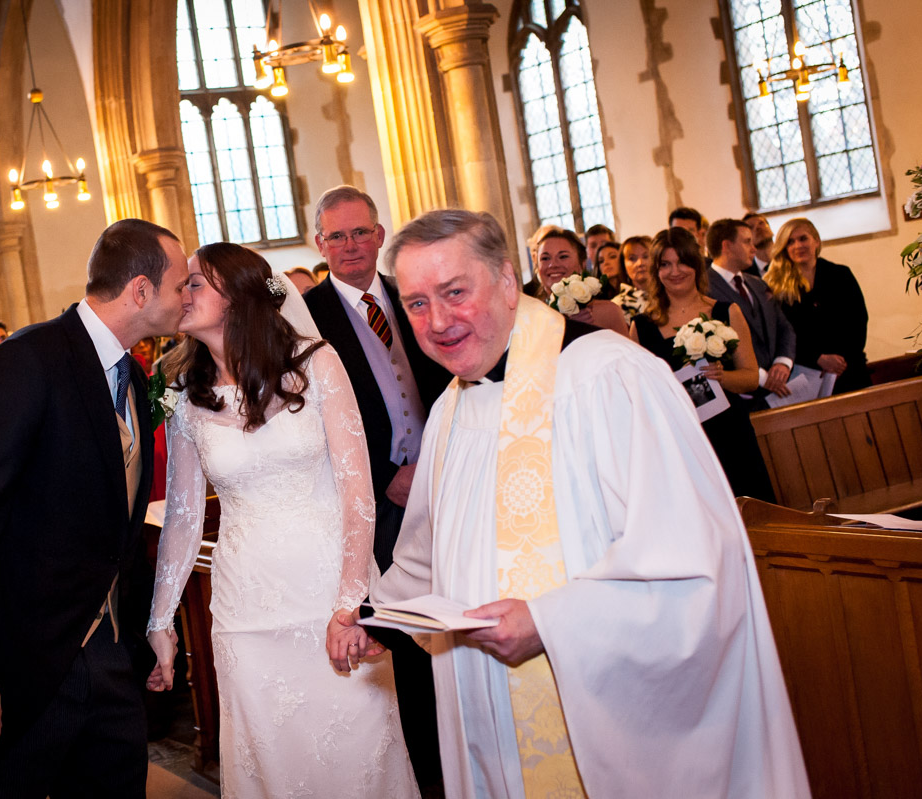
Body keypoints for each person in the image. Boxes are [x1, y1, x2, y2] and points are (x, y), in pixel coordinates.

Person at [340, 209, 808, 798]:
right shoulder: (454, 409)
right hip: (485, 711)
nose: (437, 321)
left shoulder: (610, 375)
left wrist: (552, 623)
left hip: (603, 716)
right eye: (415, 303)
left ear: (509, 282)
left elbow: (694, 562)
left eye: (455, 292)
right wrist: (376, 615)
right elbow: (426, 553)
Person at [0, 219, 189, 798]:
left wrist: (142, 630)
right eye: (181, 285)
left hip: (109, 656)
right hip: (22, 664)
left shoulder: (132, 375)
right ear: (140, 291)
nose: (188, 296)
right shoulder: (24, 362)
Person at [147, 242, 420, 797]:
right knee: (272, 763)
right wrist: (160, 623)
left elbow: (358, 493)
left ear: (238, 295)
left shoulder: (316, 363)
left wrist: (351, 603)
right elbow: (181, 518)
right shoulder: (183, 395)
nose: (183, 292)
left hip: (329, 599)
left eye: (196, 282)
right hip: (245, 609)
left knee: (357, 752)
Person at [303, 184, 448, 789]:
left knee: (454, 619)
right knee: (405, 641)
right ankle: (426, 769)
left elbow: (445, 377)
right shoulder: (307, 315)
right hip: (378, 503)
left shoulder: (414, 297)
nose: (350, 245)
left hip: (445, 484)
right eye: (336, 236)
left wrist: (443, 460)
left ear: (380, 235)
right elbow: (313, 418)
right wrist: (386, 479)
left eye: (360, 232)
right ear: (320, 244)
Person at [631, 227, 776, 501]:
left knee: (752, 516)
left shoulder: (726, 312)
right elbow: (638, 393)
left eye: (683, 261)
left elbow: (750, 376)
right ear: (656, 271)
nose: (675, 271)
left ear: (696, 264)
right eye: (665, 264)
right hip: (680, 440)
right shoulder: (642, 327)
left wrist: (723, 377)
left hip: (730, 433)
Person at [766, 217, 871, 394]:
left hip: (849, 368)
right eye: (790, 242)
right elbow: (781, 334)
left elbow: (858, 321)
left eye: (803, 238)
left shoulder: (840, 274)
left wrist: (840, 362)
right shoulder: (775, 288)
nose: (798, 245)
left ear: (816, 240)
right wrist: (817, 358)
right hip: (806, 374)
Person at [707, 218, 796, 406]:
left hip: (778, 385)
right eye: (747, 241)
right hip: (740, 396)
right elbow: (714, 344)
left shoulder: (757, 283)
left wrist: (783, 362)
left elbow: (783, 326)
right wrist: (760, 376)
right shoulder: (704, 289)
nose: (754, 248)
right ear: (727, 246)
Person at [535, 229, 629, 334]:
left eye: (563, 256)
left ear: (582, 264)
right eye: (545, 258)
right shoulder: (531, 317)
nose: (553, 264)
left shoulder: (608, 312)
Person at [743, 212, 774, 276]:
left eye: (761, 223)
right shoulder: (745, 274)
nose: (758, 227)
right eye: (751, 227)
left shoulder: (792, 258)